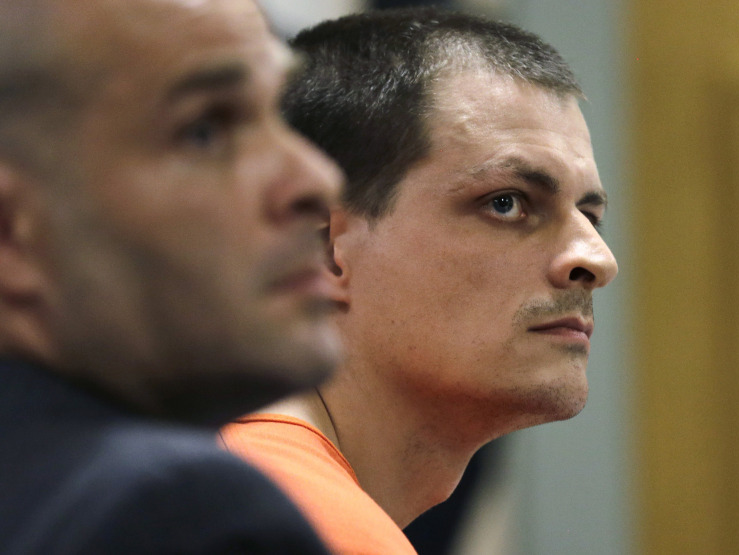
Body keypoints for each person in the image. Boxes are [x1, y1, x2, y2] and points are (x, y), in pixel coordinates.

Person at [220, 7, 618, 554]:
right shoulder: (299, 528)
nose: (597, 259)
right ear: (323, 248)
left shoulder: (230, 484)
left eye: (590, 216)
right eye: (507, 203)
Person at [0, 0, 345, 552]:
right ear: (12, 233)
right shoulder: (179, 513)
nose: (316, 180)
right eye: (205, 131)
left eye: (280, 113)